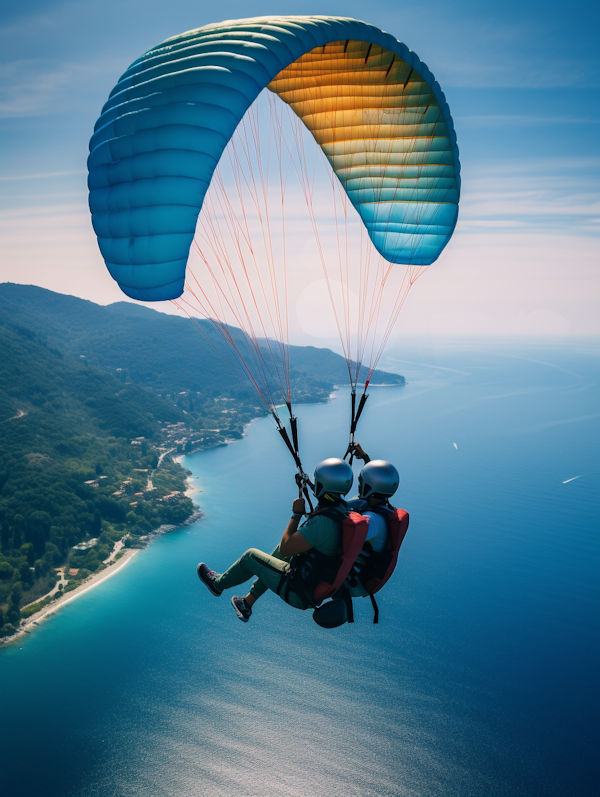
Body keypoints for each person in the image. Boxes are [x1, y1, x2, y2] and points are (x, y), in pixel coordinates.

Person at [196, 458, 354, 622]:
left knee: (251, 556)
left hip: (298, 589)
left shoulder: (322, 524)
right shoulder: (343, 511)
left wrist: (296, 515)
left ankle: (217, 585)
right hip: (313, 583)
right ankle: (246, 603)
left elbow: (287, 548)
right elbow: (326, 498)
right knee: (281, 551)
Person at [345, 443, 400, 598]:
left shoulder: (373, 519)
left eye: (361, 483)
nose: (359, 486)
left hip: (354, 579)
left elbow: (353, 532)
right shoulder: (381, 504)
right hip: (356, 571)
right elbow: (377, 480)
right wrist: (365, 458)